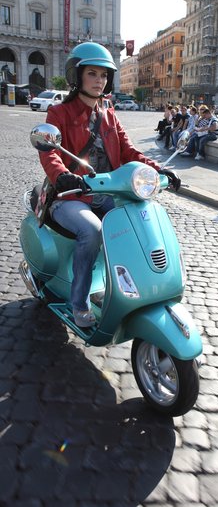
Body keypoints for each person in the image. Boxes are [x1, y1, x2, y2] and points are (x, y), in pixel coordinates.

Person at [38, 42, 180, 327]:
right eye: (92, 73)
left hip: (107, 191)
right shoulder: (59, 112)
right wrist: (62, 175)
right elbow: (49, 151)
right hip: (70, 195)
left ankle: (127, 287)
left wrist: (157, 168)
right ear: (76, 76)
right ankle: (79, 303)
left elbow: (128, 151)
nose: (99, 80)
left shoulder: (108, 112)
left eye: (103, 75)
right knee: (92, 230)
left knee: (139, 220)